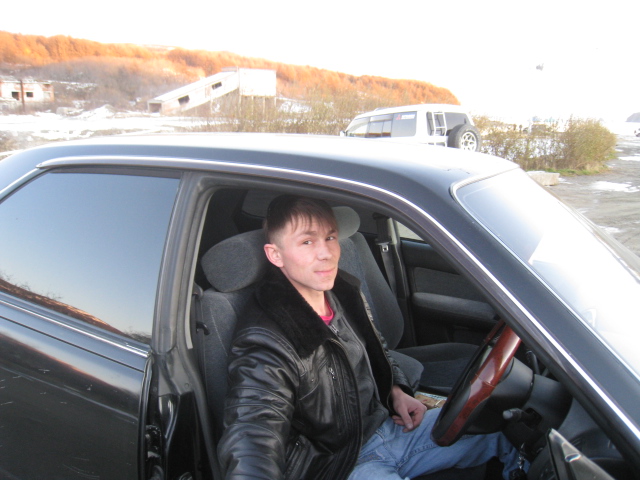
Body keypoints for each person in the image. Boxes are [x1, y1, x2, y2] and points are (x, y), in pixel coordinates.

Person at [218, 195, 524, 480]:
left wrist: (396, 390)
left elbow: (378, 350)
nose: (326, 253)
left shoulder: (342, 292)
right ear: (275, 255)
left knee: (506, 429)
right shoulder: (266, 338)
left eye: (330, 237)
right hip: (341, 464)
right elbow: (253, 429)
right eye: (307, 242)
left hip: (389, 428)